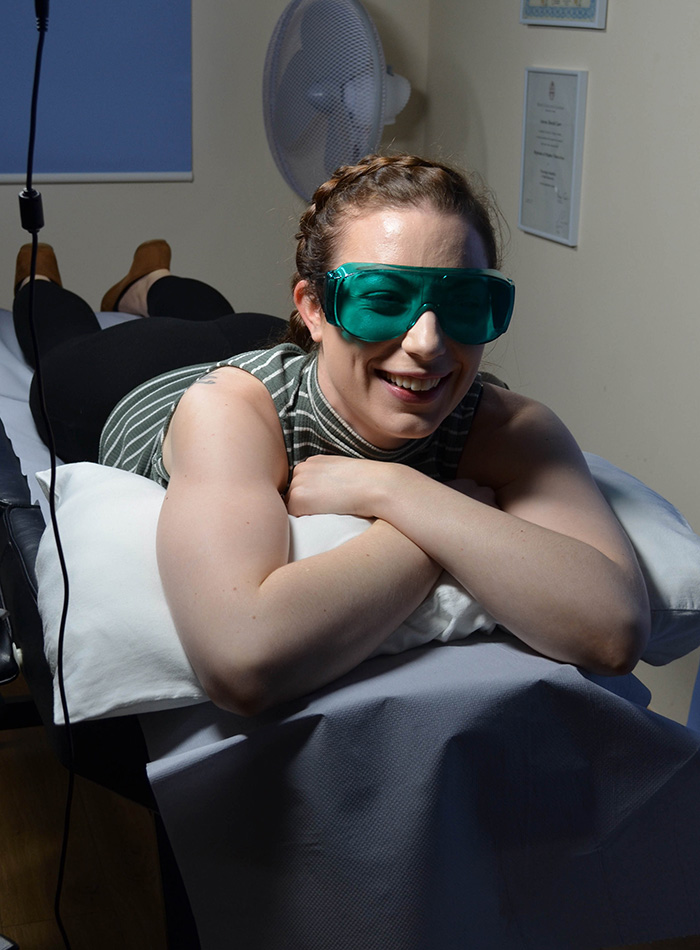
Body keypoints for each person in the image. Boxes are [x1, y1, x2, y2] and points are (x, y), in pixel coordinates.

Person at [12, 153, 650, 715]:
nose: (428, 344)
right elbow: (242, 661)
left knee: (228, 318)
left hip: (286, 349)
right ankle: (48, 282)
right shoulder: (225, 413)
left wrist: (397, 492)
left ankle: (152, 280)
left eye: (462, 305)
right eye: (381, 298)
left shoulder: (509, 425)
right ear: (314, 309)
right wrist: (453, 525)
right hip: (126, 382)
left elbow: (614, 631)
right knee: (66, 335)